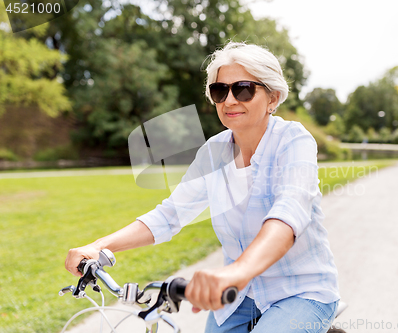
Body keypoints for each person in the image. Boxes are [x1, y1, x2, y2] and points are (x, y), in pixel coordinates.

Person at [65, 42, 340, 333]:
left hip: (300, 291)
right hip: (239, 296)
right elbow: (170, 215)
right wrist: (98, 246)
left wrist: (235, 273)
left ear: (273, 97)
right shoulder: (213, 152)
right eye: (220, 91)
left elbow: (288, 213)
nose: (230, 100)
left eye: (243, 89)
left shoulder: (293, 140)